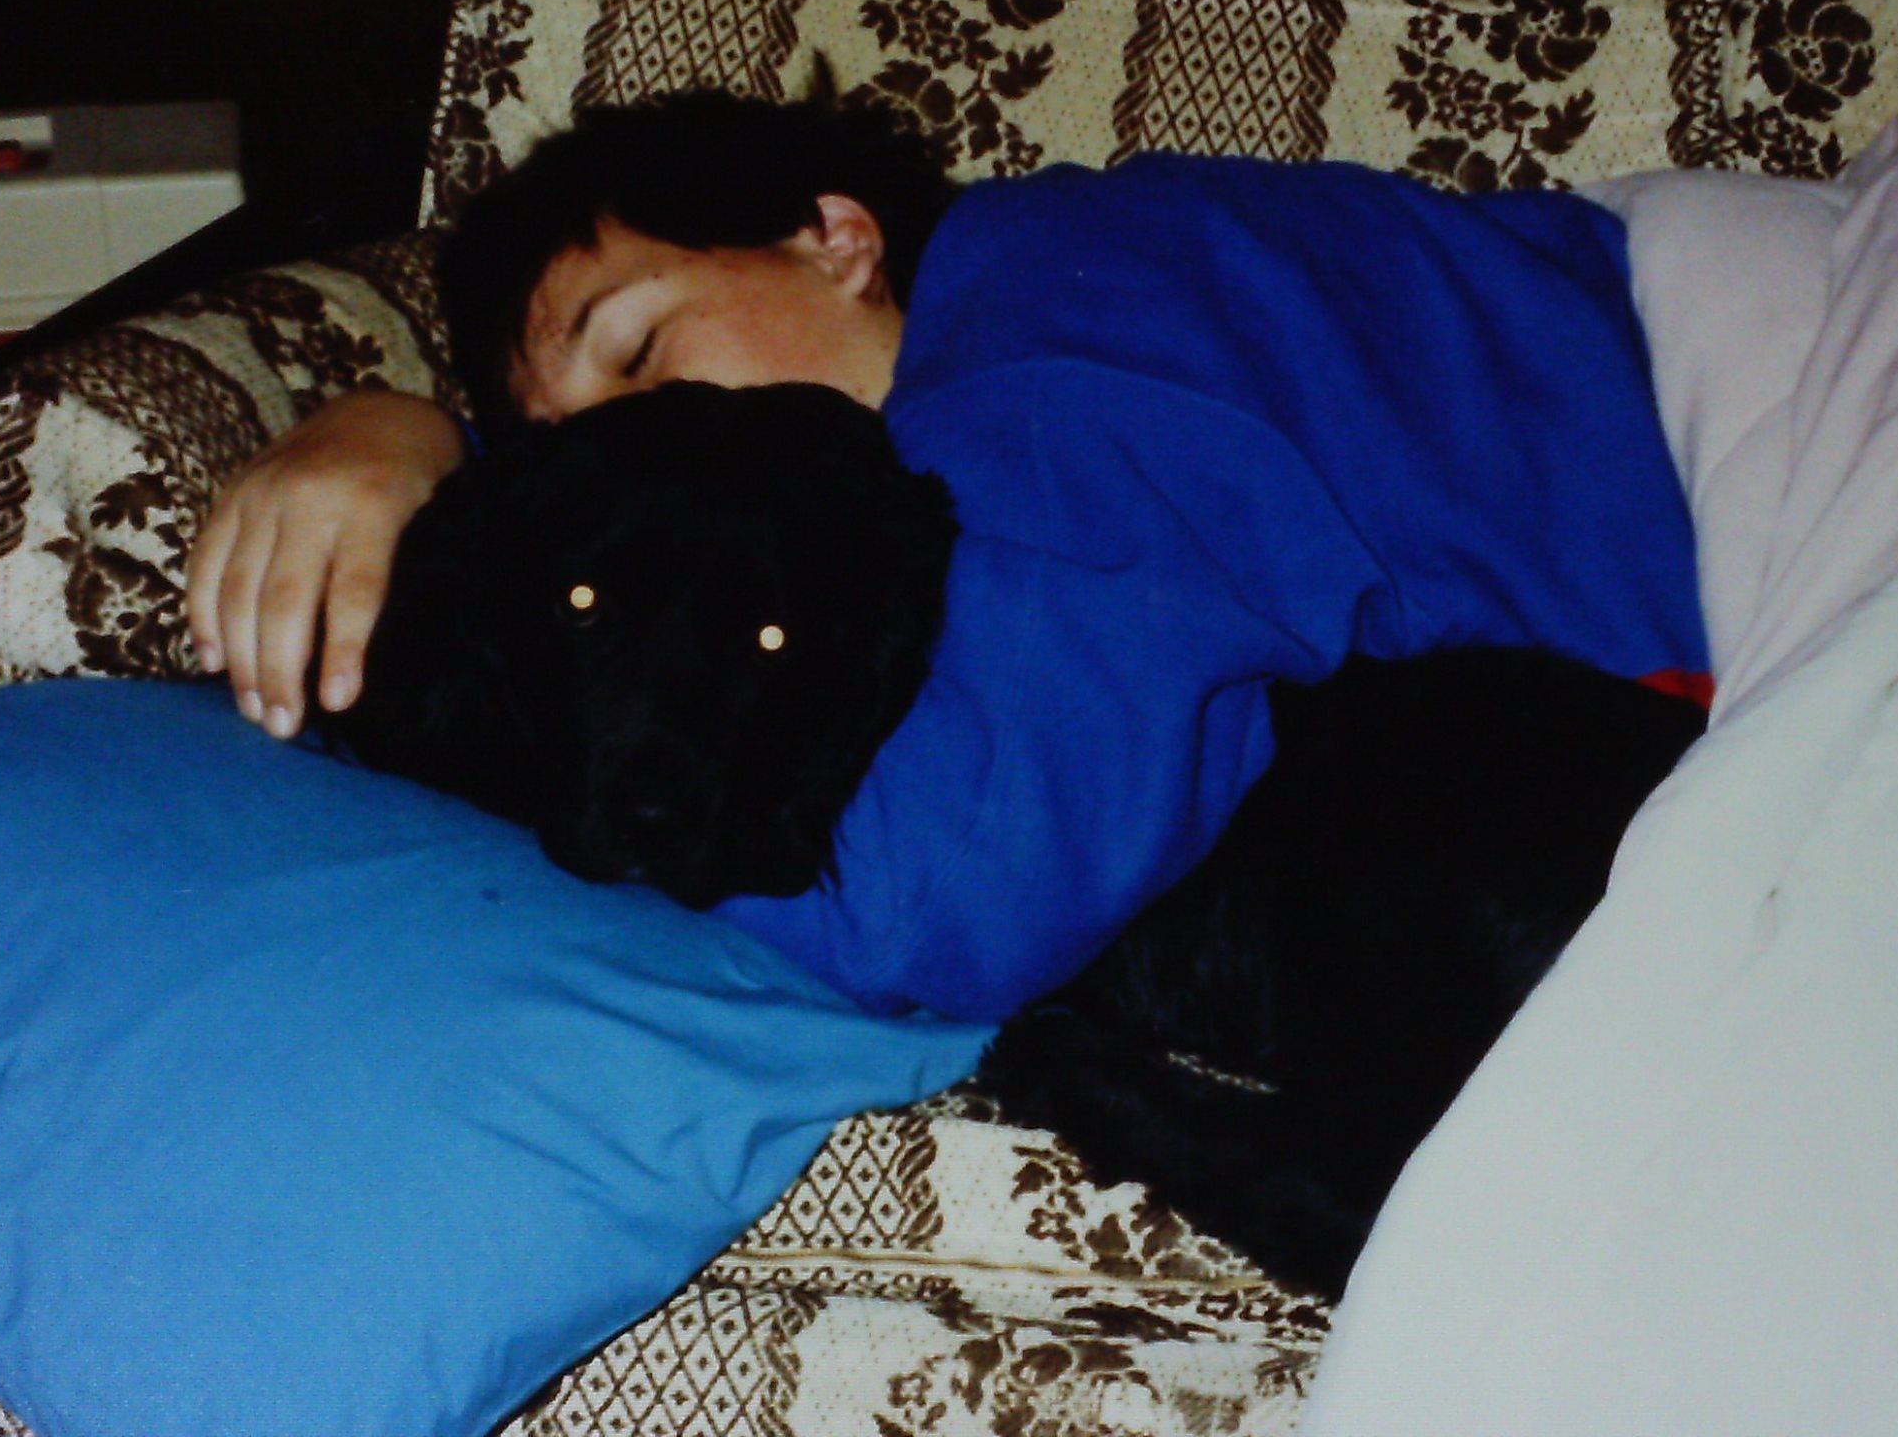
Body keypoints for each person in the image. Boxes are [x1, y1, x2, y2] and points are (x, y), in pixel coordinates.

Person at [189, 90, 1705, 1021]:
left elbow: (940, 896)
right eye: (579, 436)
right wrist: (404, 435)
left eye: (641, 347)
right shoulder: (979, 421)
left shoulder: (1053, 323)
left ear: (834, 240)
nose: (638, 446)